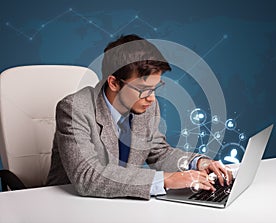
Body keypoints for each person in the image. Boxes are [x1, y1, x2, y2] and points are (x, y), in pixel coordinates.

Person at [47, 34, 232, 200]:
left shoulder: (146, 107)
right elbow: (87, 176)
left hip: (121, 204)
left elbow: (159, 153)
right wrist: (166, 179)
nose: (151, 98)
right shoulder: (74, 109)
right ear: (113, 83)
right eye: (143, 90)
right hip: (70, 205)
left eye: (155, 88)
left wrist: (198, 162)